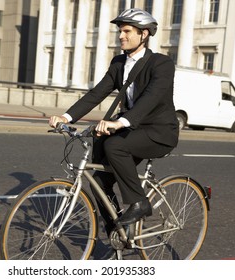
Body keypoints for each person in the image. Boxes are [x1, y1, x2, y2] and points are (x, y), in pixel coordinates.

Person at [49, 8, 179, 259]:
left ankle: (140, 203)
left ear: (144, 34)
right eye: (120, 30)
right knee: (97, 179)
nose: (121, 35)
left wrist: (121, 121)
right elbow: (97, 93)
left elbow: (151, 98)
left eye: (127, 31)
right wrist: (66, 117)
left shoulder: (161, 64)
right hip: (132, 128)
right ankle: (118, 235)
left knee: (114, 146)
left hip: (159, 132)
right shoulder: (118, 63)